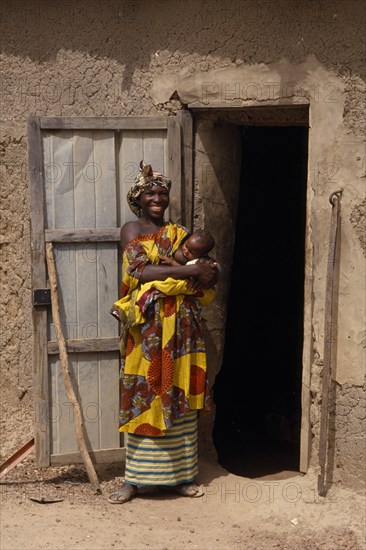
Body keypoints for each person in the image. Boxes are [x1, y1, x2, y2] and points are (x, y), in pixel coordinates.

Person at [108, 161, 218, 504]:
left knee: (179, 390)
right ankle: (134, 479)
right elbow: (140, 272)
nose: (157, 198)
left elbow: (206, 274)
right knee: (146, 390)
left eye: (162, 192)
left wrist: (202, 270)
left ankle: (181, 476)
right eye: (150, 193)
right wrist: (192, 272)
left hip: (183, 324)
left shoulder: (180, 233)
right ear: (138, 200)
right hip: (149, 326)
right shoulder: (131, 229)